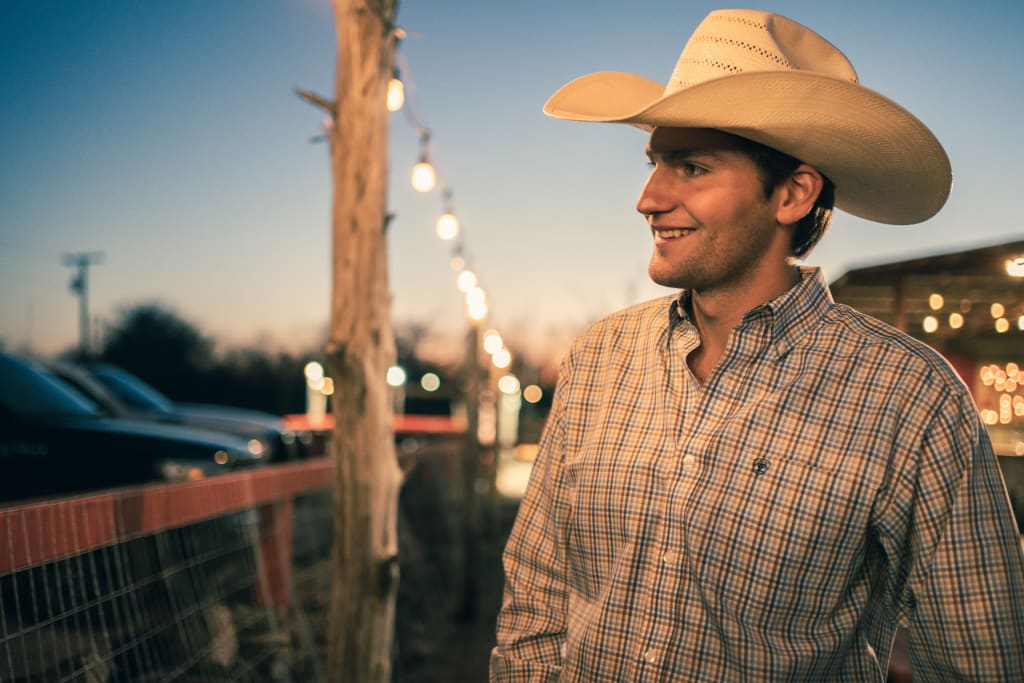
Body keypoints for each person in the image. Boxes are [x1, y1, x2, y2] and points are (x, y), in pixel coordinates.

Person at [491, 8, 1024, 681]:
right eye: (655, 163)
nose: (647, 198)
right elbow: (536, 596)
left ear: (793, 193)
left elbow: (982, 659)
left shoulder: (910, 396)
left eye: (690, 167)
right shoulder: (600, 355)